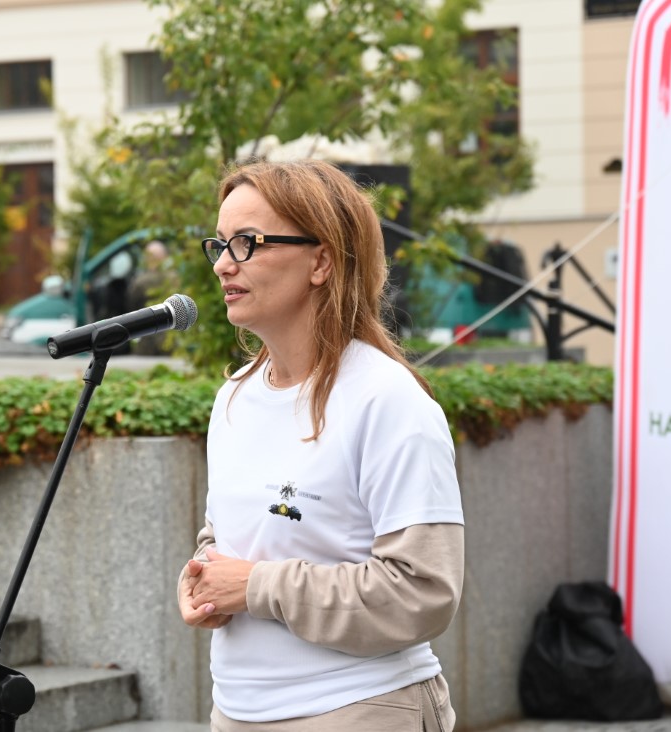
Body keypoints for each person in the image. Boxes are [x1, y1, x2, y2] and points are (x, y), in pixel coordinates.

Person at [179, 159, 465, 731]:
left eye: (247, 243)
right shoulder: (233, 398)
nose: (223, 264)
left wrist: (256, 587)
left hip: (360, 708)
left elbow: (423, 592)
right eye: (219, 244)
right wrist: (203, 576)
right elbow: (230, 534)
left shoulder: (388, 401)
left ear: (322, 261)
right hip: (235, 713)